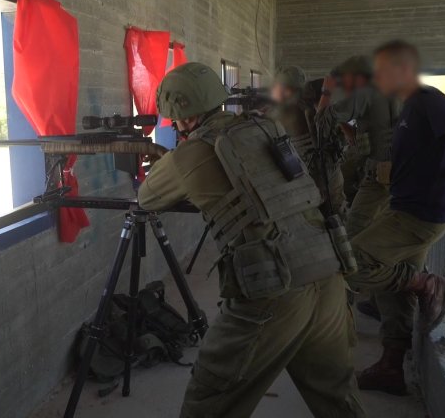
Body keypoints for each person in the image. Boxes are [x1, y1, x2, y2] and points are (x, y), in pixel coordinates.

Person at [138, 62, 365, 418]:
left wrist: (165, 160)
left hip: (275, 285)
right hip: (327, 267)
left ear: (179, 118)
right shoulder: (264, 125)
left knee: (210, 398)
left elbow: (147, 198)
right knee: (335, 398)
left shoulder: (189, 154)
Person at [346, 40, 445, 395]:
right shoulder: (408, 107)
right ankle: (391, 366)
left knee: (352, 261)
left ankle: (427, 284)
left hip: (418, 217)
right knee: (392, 291)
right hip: (403, 208)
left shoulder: (430, 100)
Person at [318, 56, 401, 321]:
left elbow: (322, 120)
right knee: (385, 241)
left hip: (379, 178)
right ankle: (381, 301)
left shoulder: (366, 92)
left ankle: (343, 301)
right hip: (402, 177)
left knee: (352, 237)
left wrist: (327, 90)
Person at [270, 66, 347, 218]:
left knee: (314, 221)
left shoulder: (284, 111)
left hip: (311, 174)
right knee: (339, 217)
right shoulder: (317, 102)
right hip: (332, 168)